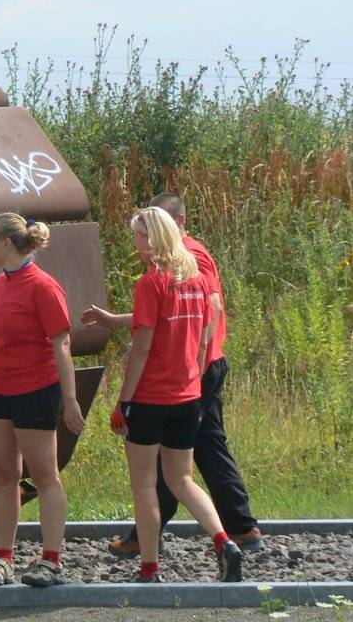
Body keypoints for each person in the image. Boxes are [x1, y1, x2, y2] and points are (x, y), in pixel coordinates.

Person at [82, 192, 262, 556]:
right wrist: (117, 320)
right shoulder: (183, 267)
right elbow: (171, 315)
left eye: (143, 232)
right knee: (188, 459)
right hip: (191, 375)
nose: (136, 241)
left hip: (189, 374)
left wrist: (184, 369)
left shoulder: (187, 260)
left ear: (174, 226)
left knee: (180, 462)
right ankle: (231, 534)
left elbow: (200, 317)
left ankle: (165, 544)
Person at [0, 213, 86, 589]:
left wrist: (70, 399)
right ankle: (4, 559)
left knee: (44, 477)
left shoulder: (43, 286)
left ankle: (52, 561)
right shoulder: (0, 284)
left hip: (36, 390)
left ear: (7, 242)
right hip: (0, 389)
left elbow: (62, 343)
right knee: (4, 475)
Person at [107, 206, 243, 583]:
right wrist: (193, 383)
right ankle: (223, 542)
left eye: (138, 235)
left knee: (145, 485)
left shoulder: (150, 284)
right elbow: (203, 341)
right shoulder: (197, 281)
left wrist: (124, 401)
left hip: (150, 399)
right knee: (182, 479)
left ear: (152, 239)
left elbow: (142, 348)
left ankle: (149, 568)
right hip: (187, 397)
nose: (135, 243)